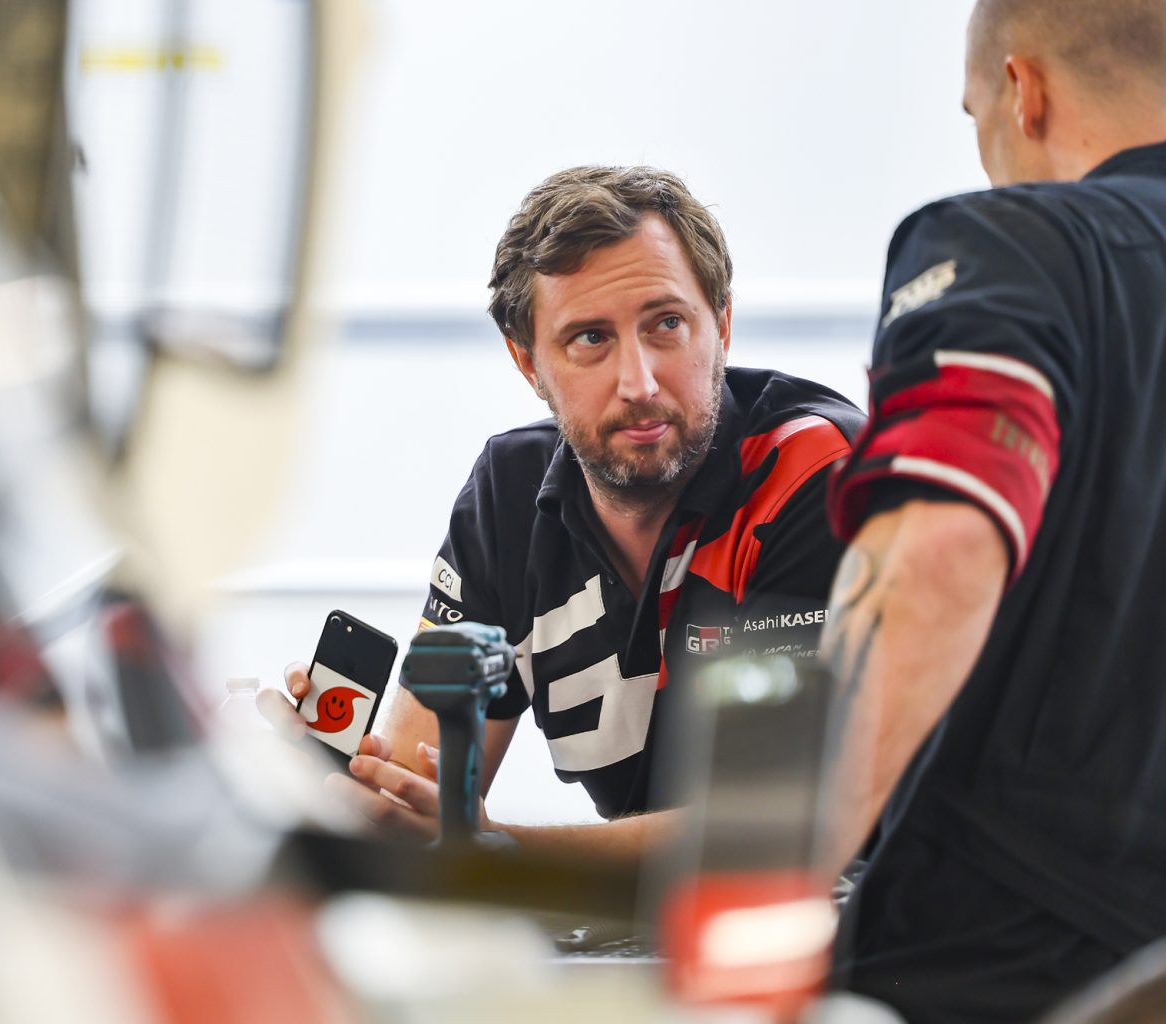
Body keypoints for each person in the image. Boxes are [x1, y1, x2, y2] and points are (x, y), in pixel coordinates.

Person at [265, 165, 863, 865]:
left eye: (667, 324)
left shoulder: (818, 472)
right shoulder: (508, 496)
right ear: (528, 364)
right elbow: (417, 796)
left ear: (722, 325)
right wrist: (328, 794)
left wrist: (501, 855)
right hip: (641, 919)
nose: (638, 382)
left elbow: (774, 831)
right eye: (590, 339)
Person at [820, 2, 1166, 1020]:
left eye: (976, 118)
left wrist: (768, 865)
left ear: (1025, 91)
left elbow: (940, 551)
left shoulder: (1019, 245)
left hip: (1018, 966)